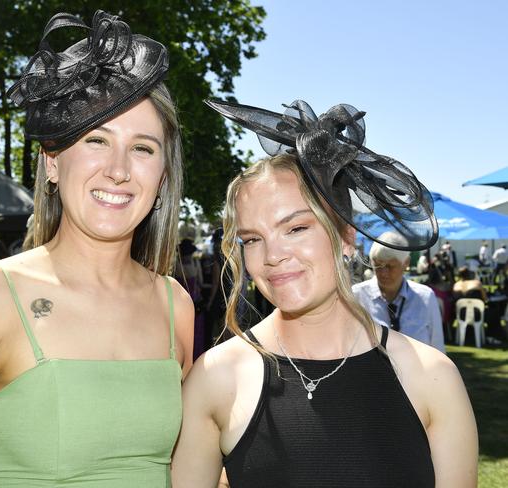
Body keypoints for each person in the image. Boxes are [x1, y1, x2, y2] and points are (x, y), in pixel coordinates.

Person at [0, 11, 193, 488]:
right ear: (52, 162)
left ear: (162, 176)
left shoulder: (175, 304)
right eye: (96, 139)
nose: (119, 170)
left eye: (143, 148)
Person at [172, 98, 477, 487]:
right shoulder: (216, 378)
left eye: (296, 228)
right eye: (252, 239)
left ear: (347, 236)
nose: (274, 255)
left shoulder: (431, 377)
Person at [353, 233, 446, 352]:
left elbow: (437, 347)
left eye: (390, 266)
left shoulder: (425, 297)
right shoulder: (357, 295)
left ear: (406, 263)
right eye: (378, 265)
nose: (383, 272)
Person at [174, 237, 206, 359]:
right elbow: (201, 283)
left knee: (180, 333)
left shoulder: (176, 265)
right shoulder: (195, 263)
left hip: (179, 303)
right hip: (195, 301)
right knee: (196, 331)